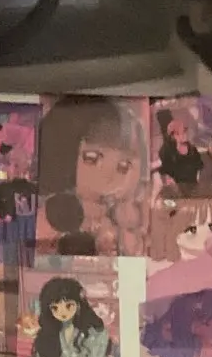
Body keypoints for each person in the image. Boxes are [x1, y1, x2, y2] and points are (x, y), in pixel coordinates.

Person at [38, 96, 148, 254]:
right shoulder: (53, 212)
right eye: (91, 158)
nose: (109, 176)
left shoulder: (116, 213)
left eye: (123, 166)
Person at [23, 274, 113, 357]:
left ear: (79, 304)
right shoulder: (50, 334)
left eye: (68, 306)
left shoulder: (95, 334)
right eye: (55, 308)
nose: (62, 312)